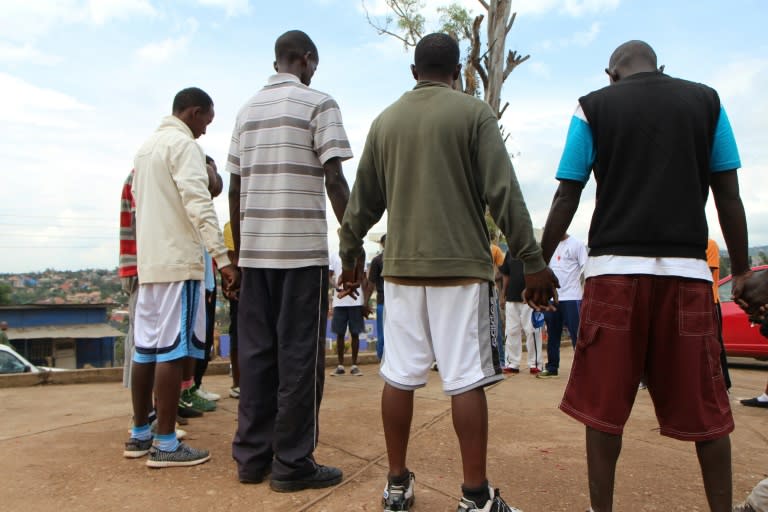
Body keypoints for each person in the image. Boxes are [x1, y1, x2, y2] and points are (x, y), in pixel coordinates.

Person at [337, 33, 558, 512]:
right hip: (460, 269)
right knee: (465, 380)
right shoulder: (474, 114)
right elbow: (504, 192)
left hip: (399, 271)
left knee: (397, 377)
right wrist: (533, 260)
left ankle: (396, 485)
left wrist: (351, 257)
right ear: (458, 71)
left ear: (413, 72)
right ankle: (475, 497)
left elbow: (360, 205)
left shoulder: (385, 122)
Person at [539, 40, 749, 512]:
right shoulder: (707, 102)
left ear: (611, 74)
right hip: (689, 276)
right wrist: (746, 268)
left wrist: (537, 263)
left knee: (604, 411)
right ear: (660, 67)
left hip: (615, 274)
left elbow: (566, 194)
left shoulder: (593, 106)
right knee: (710, 410)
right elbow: (728, 196)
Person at [227, 30, 353, 491]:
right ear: (307, 59)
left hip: (256, 257)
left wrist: (238, 258)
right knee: (299, 360)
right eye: (313, 63)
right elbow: (335, 179)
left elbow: (236, 192)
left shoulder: (246, 111)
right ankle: (293, 464)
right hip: (301, 255)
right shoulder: (319, 103)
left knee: (257, 357)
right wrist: (353, 242)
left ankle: (252, 458)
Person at [125, 87, 238, 468]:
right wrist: (222, 259)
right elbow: (198, 202)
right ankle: (166, 443)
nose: (206, 129)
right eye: (206, 120)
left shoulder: (145, 149)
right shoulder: (183, 146)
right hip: (178, 263)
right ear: (193, 112)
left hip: (151, 265)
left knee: (146, 350)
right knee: (173, 351)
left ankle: (140, 432)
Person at [191, 155, 224, 402]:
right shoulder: (194, 205)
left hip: (207, 283)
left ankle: (196, 385)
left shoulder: (205, 205)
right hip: (195, 280)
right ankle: (188, 388)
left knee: (203, 340)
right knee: (192, 341)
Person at [537, 233, 587, 379]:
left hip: (572, 297)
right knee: (552, 334)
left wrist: (583, 291)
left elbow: (585, 268)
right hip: (554, 299)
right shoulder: (549, 247)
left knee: (576, 335)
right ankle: (552, 367)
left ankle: (583, 369)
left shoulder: (577, 244)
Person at [500, 253, 543, 374]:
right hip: (511, 299)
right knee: (511, 331)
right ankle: (512, 363)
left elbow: (540, 272)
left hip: (530, 299)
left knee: (532, 331)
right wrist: (503, 294)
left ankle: (535, 364)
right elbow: (506, 274)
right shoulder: (510, 252)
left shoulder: (533, 250)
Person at [330, 247, 367, 376]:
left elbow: (363, 277)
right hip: (339, 301)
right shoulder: (334, 254)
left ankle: (354, 365)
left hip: (356, 300)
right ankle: (340, 365)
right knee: (339, 334)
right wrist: (336, 286)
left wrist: (365, 301)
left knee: (355, 333)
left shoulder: (359, 253)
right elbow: (329, 277)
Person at [707, 238, 732, 389]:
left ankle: (723, 385)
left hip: (710, 301)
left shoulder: (709, 244)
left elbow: (706, 274)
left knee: (714, 346)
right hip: (688, 301)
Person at [222, 221, 240, 399]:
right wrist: (229, 286)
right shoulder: (230, 226)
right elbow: (229, 258)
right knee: (238, 335)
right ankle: (238, 383)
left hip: (260, 285)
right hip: (240, 288)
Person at [366, 235, 386, 361]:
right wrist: (365, 303)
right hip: (382, 302)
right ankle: (382, 358)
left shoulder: (397, 261)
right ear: (382, 244)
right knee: (382, 334)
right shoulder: (377, 261)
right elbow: (371, 283)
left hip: (398, 303)